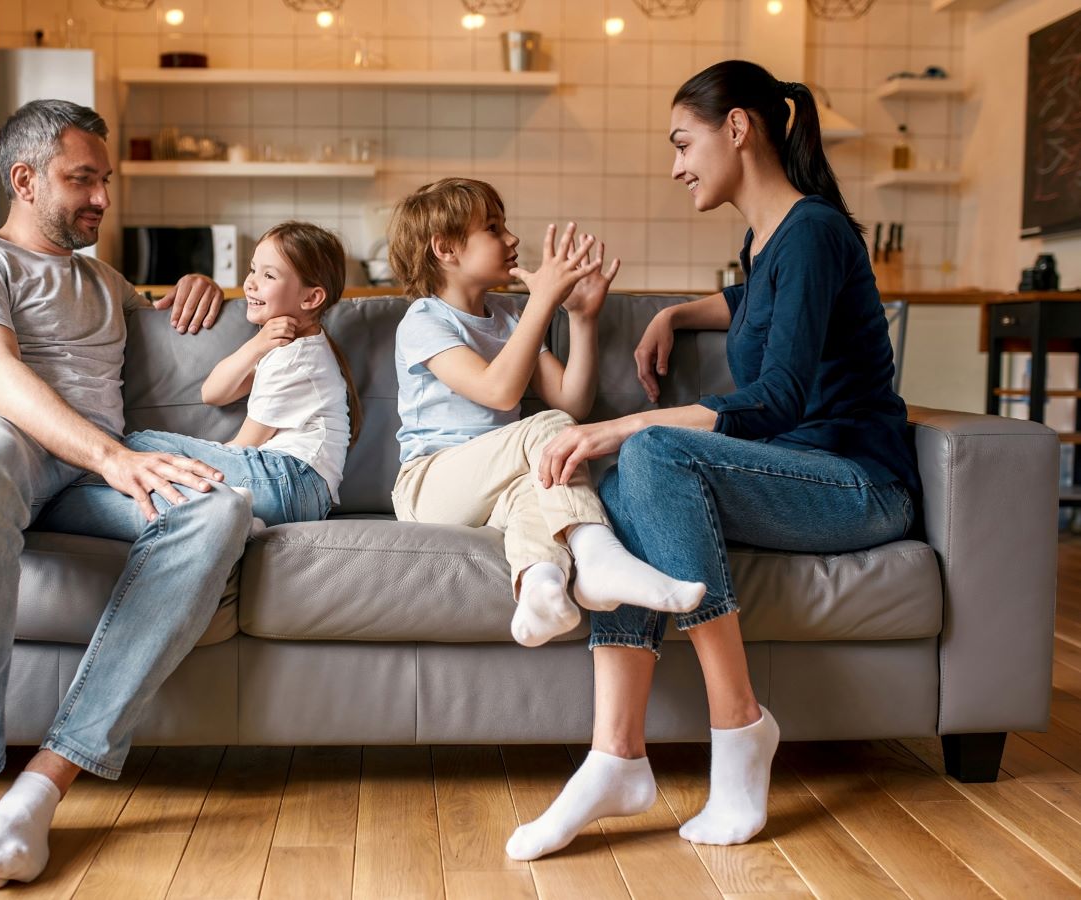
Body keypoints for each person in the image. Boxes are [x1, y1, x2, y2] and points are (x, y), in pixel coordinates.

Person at [508, 60, 920, 861]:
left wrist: (620, 423)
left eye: (683, 142)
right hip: (801, 471)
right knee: (636, 475)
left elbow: (780, 399)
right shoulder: (770, 238)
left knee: (649, 447)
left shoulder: (816, 232)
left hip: (860, 483)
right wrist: (677, 311)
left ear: (738, 128)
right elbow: (756, 299)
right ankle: (615, 753)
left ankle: (739, 728)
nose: (675, 165)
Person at [0, 98, 253, 889]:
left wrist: (201, 287)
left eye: (105, 179)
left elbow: (181, 321)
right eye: (81, 179)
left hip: (77, 478)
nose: (101, 197)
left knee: (220, 507)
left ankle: (43, 785)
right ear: (24, 179)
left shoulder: (105, 279)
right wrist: (113, 458)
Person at [386, 177, 707, 650]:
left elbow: (571, 401)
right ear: (446, 248)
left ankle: (541, 589)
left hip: (491, 491)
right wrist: (541, 302)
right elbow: (498, 392)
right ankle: (597, 554)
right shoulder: (424, 320)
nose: (512, 239)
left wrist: (581, 318)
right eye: (493, 229)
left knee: (543, 477)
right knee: (554, 435)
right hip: (428, 486)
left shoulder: (508, 318)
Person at [178, 220, 361, 527]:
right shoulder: (284, 348)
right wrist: (256, 345)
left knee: (146, 446)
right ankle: (234, 518)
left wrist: (182, 467)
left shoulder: (296, 358)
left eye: (268, 275)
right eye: (252, 269)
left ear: (311, 298)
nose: (250, 283)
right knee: (156, 460)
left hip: (289, 482)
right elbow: (213, 394)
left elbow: (246, 443)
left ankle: (229, 512)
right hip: (296, 488)